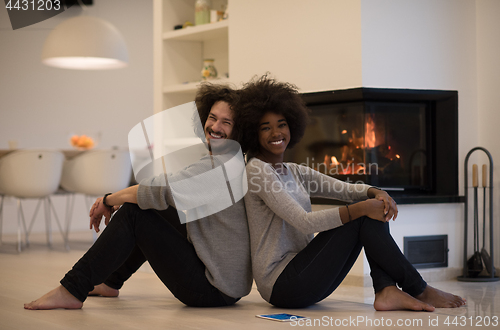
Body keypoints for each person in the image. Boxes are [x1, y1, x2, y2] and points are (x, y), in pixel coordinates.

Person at [237, 75, 466, 311]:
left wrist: (376, 192)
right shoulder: (257, 170)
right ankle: (419, 289)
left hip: (304, 273)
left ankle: (386, 290)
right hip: (282, 285)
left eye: (281, 124)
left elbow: (344, 189)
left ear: (291, 125)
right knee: (362, 214)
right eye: (266, 127)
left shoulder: (293, 171)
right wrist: (362, 208)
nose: (276, 132)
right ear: (253, 133)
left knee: (369, 208)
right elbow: (304, 222)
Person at [24, 83, 252, 310]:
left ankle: (72, 289)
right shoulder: (229, 162)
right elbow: (164, 188)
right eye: (212, 118)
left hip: (212, 289)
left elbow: (157, 190)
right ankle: (110, 282)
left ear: (239, 130)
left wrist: (108, 200)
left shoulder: (218, 168)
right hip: (225, 283)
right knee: (150, 208)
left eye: (226, 122)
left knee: (136, 212)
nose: (215, 126)